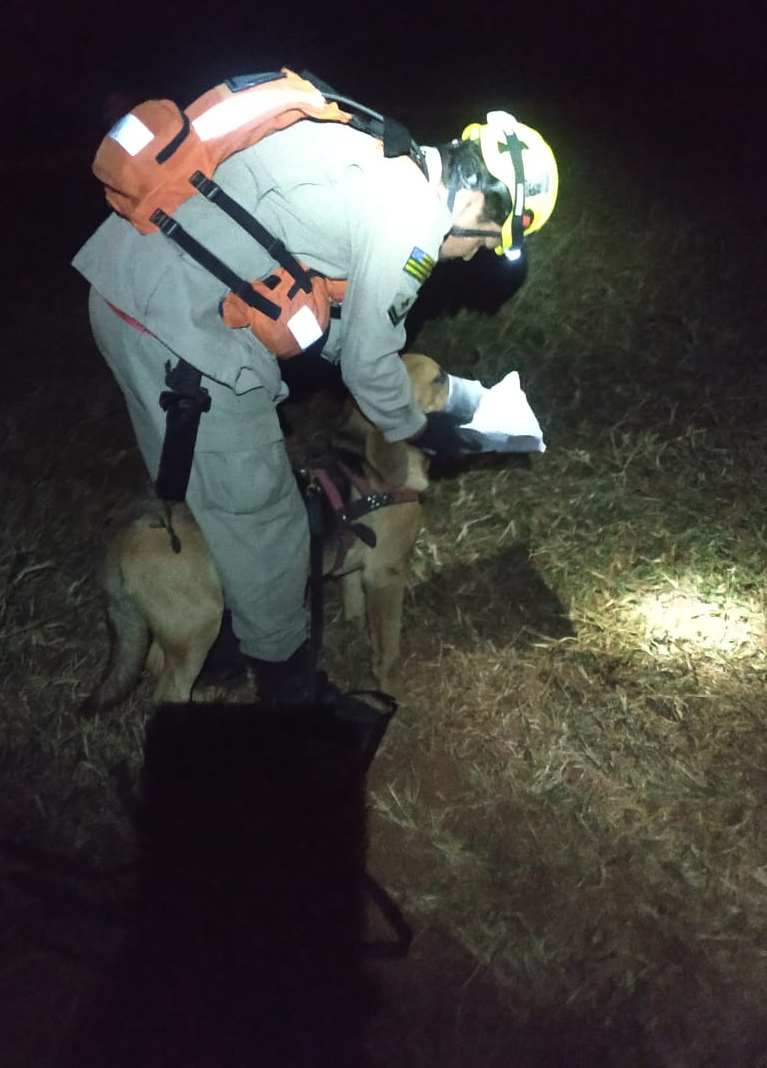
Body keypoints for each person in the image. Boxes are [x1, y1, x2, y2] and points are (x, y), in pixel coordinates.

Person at [73, 70, 557, 702]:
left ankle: (221, 654)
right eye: (485, 244)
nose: (470, 257)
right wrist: (429, 429)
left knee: (214, 489)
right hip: (177, 329)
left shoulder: (382, 150)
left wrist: (457, 396)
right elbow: (368, 364)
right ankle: (290, 695)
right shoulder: (411, 218)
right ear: (471, 207)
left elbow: (330, 316)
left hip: (129, 286)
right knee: (265, 513)